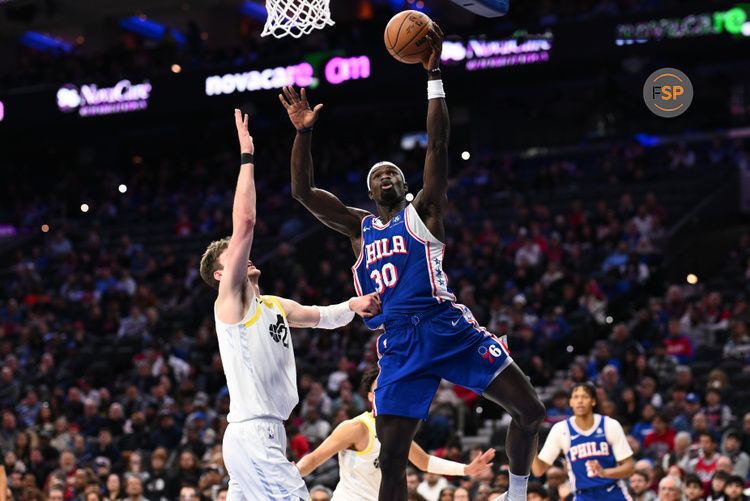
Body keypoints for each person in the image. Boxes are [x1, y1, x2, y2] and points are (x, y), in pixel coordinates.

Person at [279, 23, 545, 501]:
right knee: (392, 459)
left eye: (394, 173)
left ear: (404, 187)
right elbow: (303, 192)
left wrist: (434, 73)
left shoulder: (424, 213)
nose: (387, 176)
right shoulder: (358, 228)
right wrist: (304, 133)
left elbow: (438, 146)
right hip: (398, 343)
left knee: (531, 411)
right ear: (368, 191)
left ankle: (517, 493)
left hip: (447, 326)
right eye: (378, 174)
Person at [199, 110, 380, 501]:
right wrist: (247, 157)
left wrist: (355, 303)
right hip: (254, 433)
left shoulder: (273, 304)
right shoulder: (230, 300)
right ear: (220, 275)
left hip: (262, 433)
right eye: (231, 257)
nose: (243, 255)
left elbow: (321, 317)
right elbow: (245, 222)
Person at [297, 368, 495, 500]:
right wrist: (294, 472)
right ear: (371, 396)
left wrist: (466, 470)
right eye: (381, 389)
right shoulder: (356, 427)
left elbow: (424, 461)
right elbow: (315, 458)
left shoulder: (397, 429)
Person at [532, 383, 635, 501]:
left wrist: (604, 472)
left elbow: (630, 467)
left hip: (612, 492)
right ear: (570, 402)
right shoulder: (560, 429)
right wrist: (532, 447)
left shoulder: (610, 425)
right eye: (576, 397)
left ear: (593, 401)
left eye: (584, 397)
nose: (580, 401)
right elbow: (538, 471)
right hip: (583, 495)